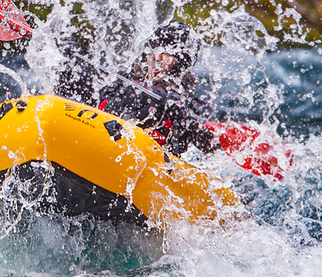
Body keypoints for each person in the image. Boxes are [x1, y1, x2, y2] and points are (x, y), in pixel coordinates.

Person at [55, 21, 292, 179]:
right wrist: (68, 62)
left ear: (180, 62)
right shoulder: (119, 81)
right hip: (96, 154)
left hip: (147, 176)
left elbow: (208, 146)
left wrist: (181, 115)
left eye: (166, 53)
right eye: (154, 49)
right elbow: (80, 95)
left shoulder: (189, 106)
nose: (157, 57)